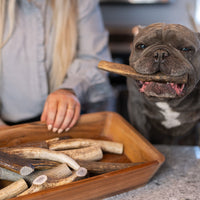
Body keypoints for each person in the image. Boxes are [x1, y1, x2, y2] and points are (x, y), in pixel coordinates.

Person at [0, 0, 113, 133]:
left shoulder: (82, 3)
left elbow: (95, 61)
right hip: (7, 125)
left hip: (71, 125)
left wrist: (69, 90)